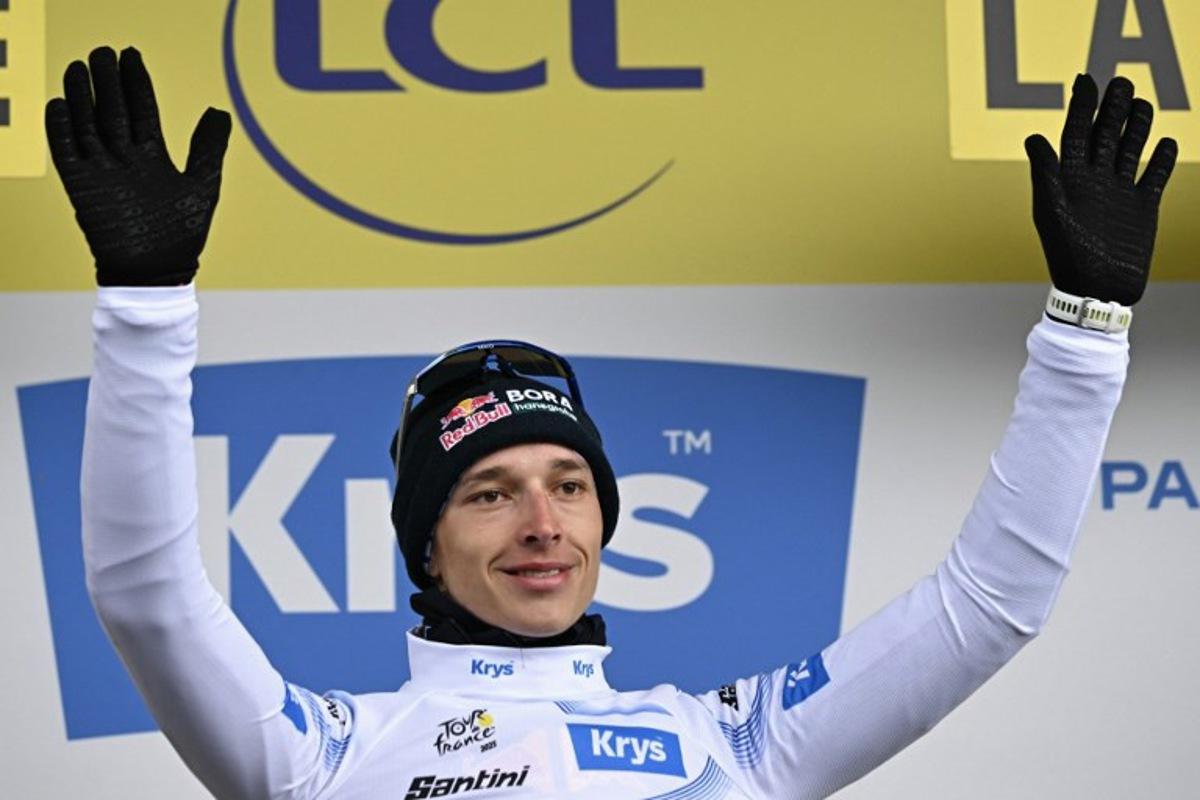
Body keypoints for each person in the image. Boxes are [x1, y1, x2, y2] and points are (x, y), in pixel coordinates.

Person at [47, 45, 1176, 800]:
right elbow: (144, 593)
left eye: (569, 482)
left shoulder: (735, 741)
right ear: (424, 543)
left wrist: (1086, 325)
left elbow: (991, 602)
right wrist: (145, 304)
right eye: (489, 490)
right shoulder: (319, 752)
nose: (544, 520)